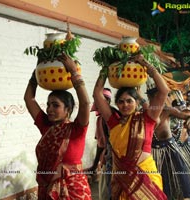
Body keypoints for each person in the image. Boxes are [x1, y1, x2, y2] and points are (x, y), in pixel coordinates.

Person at [93, 54, 169, 199]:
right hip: (122, 181)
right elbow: (97, 93)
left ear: (137, 102)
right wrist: (106, 68)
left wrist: (145, 64)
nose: (125, 105)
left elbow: (164, 90)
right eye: (121, 101)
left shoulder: (148, 118)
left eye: (129, 101)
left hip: (146, 178)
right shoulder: (113, 121)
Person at [24, 53, 91, 199]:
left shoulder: (77, 129)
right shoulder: (46, 127)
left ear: (68, 110)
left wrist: (74, 72)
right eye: (48, 105)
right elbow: (29, 99)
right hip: (47, 189)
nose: (49, 109)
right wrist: (36, 73)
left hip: (73, 190)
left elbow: (85, 103)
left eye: (55, 105)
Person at [146, 87, 190, 199]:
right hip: (154, 150)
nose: (156, 100)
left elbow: (185, 115)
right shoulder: (146, 112)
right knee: (162, 176)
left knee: (181, 171)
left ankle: (187, 196)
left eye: (158, 97)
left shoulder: (168, 110)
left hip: (170, 147)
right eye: (152, 98)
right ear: (149, 98)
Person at [87, 88, 112, 200]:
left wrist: (95, 164)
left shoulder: (109, 118)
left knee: (108, 192)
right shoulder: (100, 119)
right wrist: (95, 164)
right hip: (108, 160)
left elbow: (103, 146)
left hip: (113, 160)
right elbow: (100, 144)